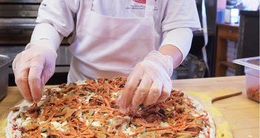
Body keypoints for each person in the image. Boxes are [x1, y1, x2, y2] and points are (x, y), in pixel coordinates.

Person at [12, 0, 201, 113]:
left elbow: (180, 28)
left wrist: (161, 63)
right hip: (80, 95)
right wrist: (42, 45)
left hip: (150, 94)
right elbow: (52, 21)